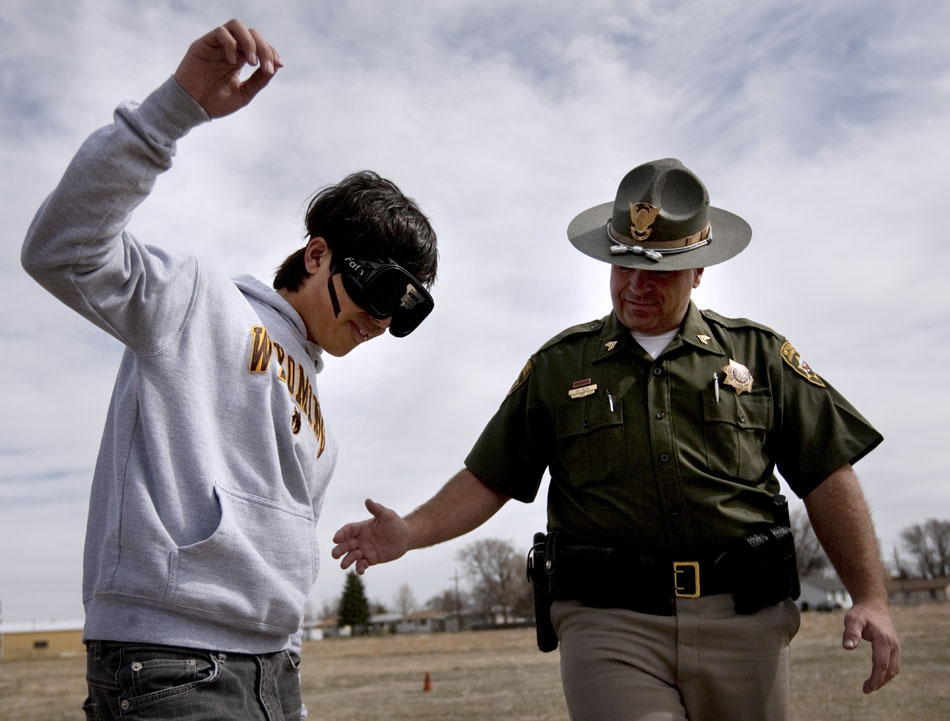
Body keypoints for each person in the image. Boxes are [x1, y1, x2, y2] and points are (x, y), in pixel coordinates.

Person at [331, 158, 900, 720]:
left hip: (745, 622)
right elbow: (490, 477)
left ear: (698, 270)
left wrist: (869, 595)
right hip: (610, 623)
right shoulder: (560, 366)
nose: (634, 286)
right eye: (621, 265)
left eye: (657, 271)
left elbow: (827, 474)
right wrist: (409, 531)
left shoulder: (759, 357)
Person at [21, 19, 437, 721]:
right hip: (169, 660)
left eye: (400, 314)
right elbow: (60, 249)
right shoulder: (194, 304)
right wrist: (173, 110)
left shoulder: (321, 427)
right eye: (373, 291)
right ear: (317, 256)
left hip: (273, 671)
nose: (377, 323)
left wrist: (288, 679)